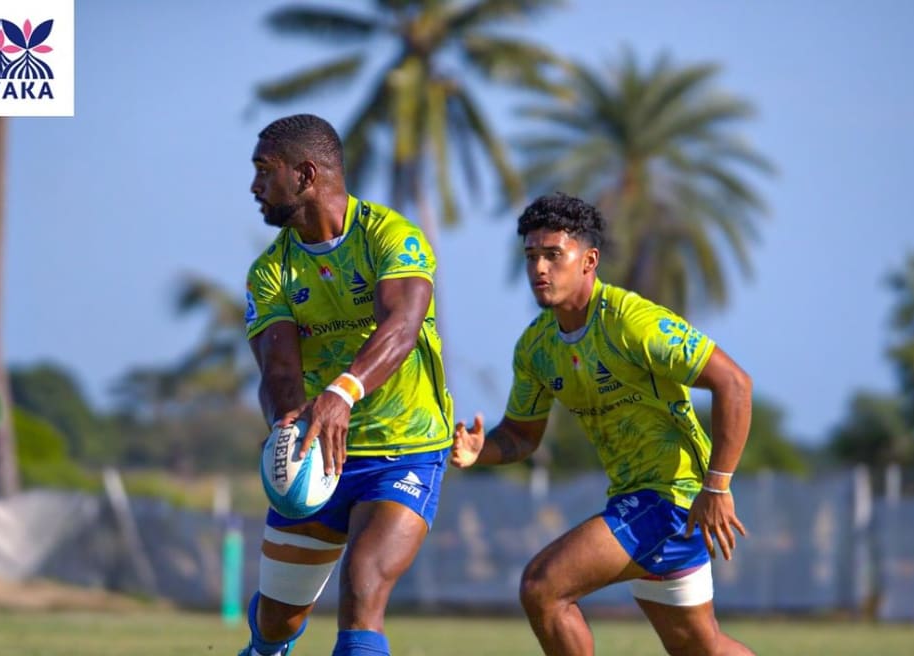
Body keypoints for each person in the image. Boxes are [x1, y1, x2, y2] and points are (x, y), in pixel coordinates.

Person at [451, 192, 755, 656]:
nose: (539, 269)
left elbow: (734, 383)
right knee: (703, 648)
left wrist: (717, 487)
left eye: (554, 255)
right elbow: (520, 436)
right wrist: (480, 451)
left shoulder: (633, 322)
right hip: (637, 501)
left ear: (589, 260)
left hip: (673, 499)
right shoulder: (535, 347)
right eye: (531, 256)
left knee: (543, 586)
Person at [241, 114, 454, 656]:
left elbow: (402, 326)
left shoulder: (391, 237)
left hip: (405, 450)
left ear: (305, 174)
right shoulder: (270, 271)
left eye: (265, 170)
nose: (255, 186)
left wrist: (341, 393)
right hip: (319, 454)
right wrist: (287, 424)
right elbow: (279, 371)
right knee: (277, 622)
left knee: (363, 586)